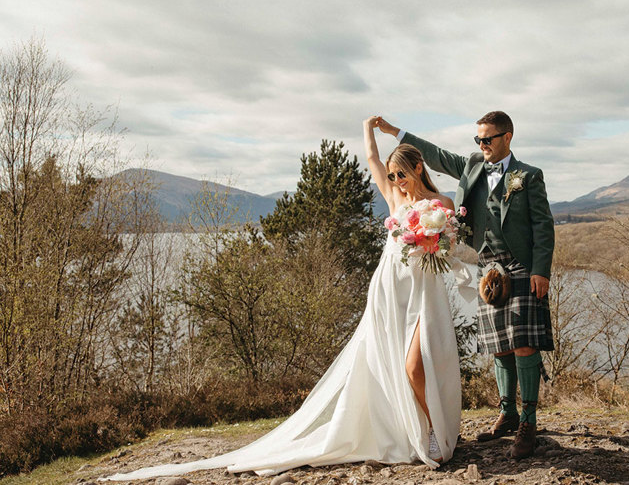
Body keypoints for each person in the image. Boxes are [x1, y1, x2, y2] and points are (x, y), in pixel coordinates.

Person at [102, 117, 470, 481]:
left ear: (418, 168)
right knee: (392, 364)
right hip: (390, 290)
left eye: (401, 174)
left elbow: (452, 250)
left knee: (415, 364)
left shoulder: (443, 203)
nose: (395, 181)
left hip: (424, 291)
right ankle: (416, 431)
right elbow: (372, 160)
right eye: (392, 176)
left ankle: (436, 430)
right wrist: (367, 128)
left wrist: (434, 244)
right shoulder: (393, 199)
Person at [376, 111, 554, 459]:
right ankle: (508, 414)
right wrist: (394, 131)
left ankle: (528, 423)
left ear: (508, 137)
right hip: (488, 267)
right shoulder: (473, 165)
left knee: (523, 344)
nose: (483, 145)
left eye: (488, 138)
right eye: (479, 139)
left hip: (520, 266)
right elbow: (436, 154)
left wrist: (541, 270)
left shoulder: (529, 176)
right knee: (500, 345)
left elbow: (543, 225)